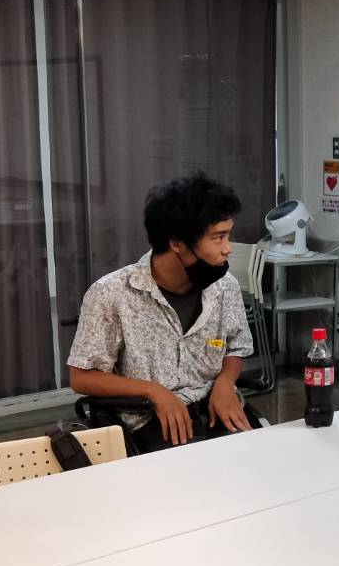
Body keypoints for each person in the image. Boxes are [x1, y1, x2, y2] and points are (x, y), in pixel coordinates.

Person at [68, 171, 261, 454]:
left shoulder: (224, 286)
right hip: (148, 419)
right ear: (177, 243)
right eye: (218, 238)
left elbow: (236, 347)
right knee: (190, 476)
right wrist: (153, 391)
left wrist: (225, 383)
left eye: (227, 235)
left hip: (214, 405)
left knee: (259, 462)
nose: (228, 249)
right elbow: (82, 377)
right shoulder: (111, 294)